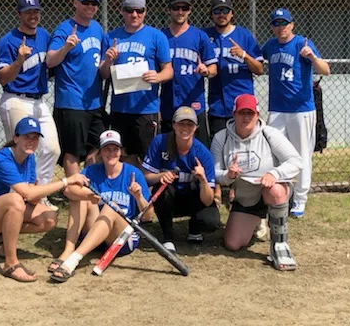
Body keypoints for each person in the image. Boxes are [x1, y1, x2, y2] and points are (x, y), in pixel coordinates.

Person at [0, 117, 89, 282]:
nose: (31, 141)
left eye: (35, 138)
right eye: (26, 137)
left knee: (50, 219)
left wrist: (35, 192)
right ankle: (11, 264)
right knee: (16, 201)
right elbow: (27, 193)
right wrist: (66, 181)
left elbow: (32, 198)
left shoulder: (29, 158)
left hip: (0, 211)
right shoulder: (2, 159)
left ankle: (0, 240)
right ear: (16, 138)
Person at [211, 94, 303, 271]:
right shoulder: (221, 138)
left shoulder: (270, 134)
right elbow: (215, 174)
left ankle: (279, 245)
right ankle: (256, 221)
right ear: (234, 114)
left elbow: (296, 161)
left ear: (257, 115)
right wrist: (228, 175)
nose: (246, 117)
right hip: (246, 196)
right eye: (242, 113)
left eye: (250, 113)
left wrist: (274, 174)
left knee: (275, 191)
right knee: (233, 244)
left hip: (270, 190)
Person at [49, 129, 151, 282]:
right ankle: (68, 250)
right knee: (80, 196)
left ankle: (73, 260)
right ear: (100, 153)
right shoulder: (92, 171)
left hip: (121, 237)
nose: (111, 153)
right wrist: (88, 195)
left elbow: (148, 216)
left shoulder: (133, 173)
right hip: (95, 233)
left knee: (111, 207)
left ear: (120, 151)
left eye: (115, 149)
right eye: (107, 149)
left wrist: (138, 196)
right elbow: (69, 191)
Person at [262, 8, 330, 218]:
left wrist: (312, 58)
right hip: (277, 109)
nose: (281, 27)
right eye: (277, 23)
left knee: (301, 154)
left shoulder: (302, 43)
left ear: (292, 25)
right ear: (272, 27)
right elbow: (256, 59)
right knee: (272, 153)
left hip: (301, 109)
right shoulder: (270, 46)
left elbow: (325, 70)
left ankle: (300, 199)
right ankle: (279, 193)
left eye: (285, 23)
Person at [0, 0, 61, 209]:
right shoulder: (8, 41)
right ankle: (14, 198)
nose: (33, 15)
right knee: (21, 151)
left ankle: (36, 193)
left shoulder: (44, 35)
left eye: (36, 11)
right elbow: (3, 78)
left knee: (51, 149)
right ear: (19, 14)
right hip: (16, 98)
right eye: (28, 12)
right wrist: (19, 60)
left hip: (38, 100)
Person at [100, 0, 173, 166]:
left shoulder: (156, 36)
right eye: (129, 10)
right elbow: (103, 74)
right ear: (122, 11)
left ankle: (145, 192)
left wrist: (157, 76)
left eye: (139, 11)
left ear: (145, 11)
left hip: (146, 108)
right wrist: (108, 61)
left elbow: (168, 70)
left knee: (147, 157)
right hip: (120, 108)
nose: (134, 15)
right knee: (122, 156)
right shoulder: (111, 37)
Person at [47, 0, 108, 176]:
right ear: (75, 2)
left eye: (94, 3)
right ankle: (74, 192)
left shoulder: (97, 28)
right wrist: (66, 47)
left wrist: (110, 60)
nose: (90, 6)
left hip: (94, 102)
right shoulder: (64, 29)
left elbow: (102, 64)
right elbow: (50, 61)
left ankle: (88, 186)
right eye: (85, 2)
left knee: (97, 146)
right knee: (73, 151)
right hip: (71, 102)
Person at [141, 106, 220, 252]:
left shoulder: (203, 153)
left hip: (193, 198)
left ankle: (195, 228)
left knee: (212, 222)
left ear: (196, 127)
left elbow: (208, 200)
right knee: (161, 187)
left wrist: (202, 180)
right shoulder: (160, 142)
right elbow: (145, 177)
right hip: (170, 198)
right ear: (173, 125)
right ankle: (168, 237)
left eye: (190, 124)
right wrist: (160, 176)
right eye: (181, 124)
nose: (185, 128)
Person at [160, 0, 217, 146]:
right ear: (169, 10)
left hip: (194, 103)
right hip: (167, 103)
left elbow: (213, 68)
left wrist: (206, 71)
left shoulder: (199, 36)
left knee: (198, 148)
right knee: (167, 150)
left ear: (190, 10)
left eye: (184, 8)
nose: (180, 12)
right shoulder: (161, 36)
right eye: (176, 7)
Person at [204, 0, 263, 138]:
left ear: (232, 14)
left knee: (245, 144)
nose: (221, 15)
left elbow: (259, 69)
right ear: (211, 14)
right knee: (218, 146)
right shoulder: (205, 36)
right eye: (217, 11)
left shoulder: (244, 35)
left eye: (225, 11)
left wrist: (244, 55)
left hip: (242, 103)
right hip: (217, 104)